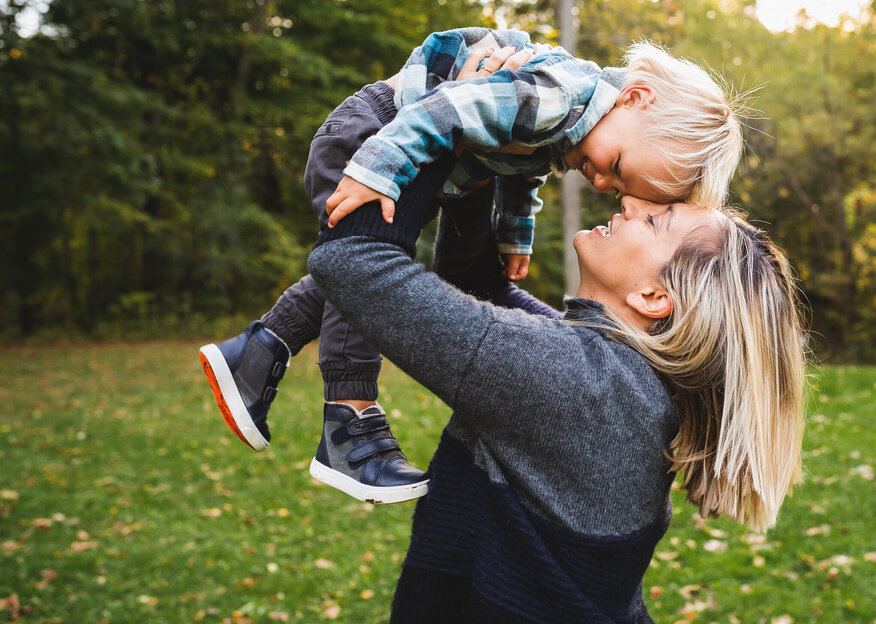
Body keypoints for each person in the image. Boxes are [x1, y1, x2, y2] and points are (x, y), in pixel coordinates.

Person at [199, 29, 745, 506]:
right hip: (382, 137)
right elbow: (449, 111)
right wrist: (379, 166)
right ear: (637, 98)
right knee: (368, 269)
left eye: (620, 186)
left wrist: (513, 233)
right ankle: (348, 414)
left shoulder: (576, 121)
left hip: (410, 152)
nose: (605, 187)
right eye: (618, 169)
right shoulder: (559, 96)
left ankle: (260, 348)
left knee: (371, 269)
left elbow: (522, 168)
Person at [306, 138, 809, 621]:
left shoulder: (580, 383)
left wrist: (441, 139)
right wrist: (482, 164)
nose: (632, 201)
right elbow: (477, 288)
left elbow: (350, 260)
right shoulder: (618, 380)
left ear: (654, 297)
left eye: (656, 220)